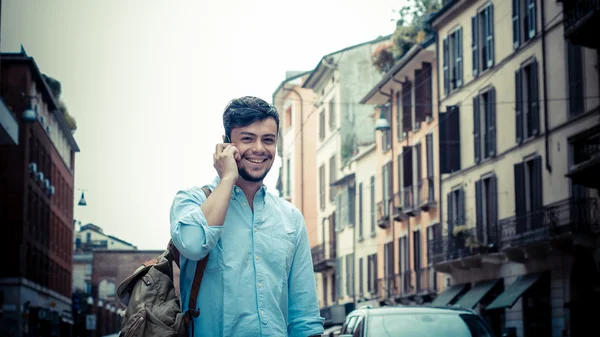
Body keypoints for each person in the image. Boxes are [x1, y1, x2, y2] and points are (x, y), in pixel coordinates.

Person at [169, 96, 324, 337]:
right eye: (247, 139)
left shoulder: (290, 218)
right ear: (226, 144)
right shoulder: (191, 202)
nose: (260, 149)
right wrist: (228, 178)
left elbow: (304, 315)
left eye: (268, 140)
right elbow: (192, 245)